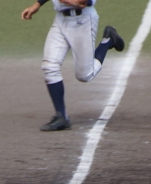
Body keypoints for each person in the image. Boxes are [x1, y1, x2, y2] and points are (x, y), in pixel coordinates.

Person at [21, 0, 125, 131]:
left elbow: (84, 2)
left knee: (85, 75)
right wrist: (37, 5)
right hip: (60, 20)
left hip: (82, 21)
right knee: (49, 66)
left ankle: (108, 40)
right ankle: (61, 116)